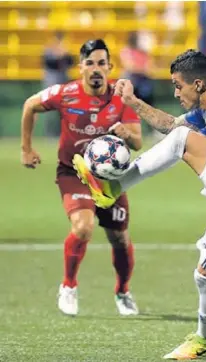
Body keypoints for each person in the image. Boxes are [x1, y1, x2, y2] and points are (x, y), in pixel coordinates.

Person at [74, 50, 206, 359]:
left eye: (178, 86)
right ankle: (112, 187)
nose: (175, 92)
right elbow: (170, 125)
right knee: (180, 138)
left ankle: (205, 340)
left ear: (198, 84)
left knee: (204, 275)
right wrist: (133, 102)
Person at [20, 39, 142, 317]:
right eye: (90, 63)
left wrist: (127, 134)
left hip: (109, 179)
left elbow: (137, 143)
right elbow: (29, 105)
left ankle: (123, 291)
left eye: (101, 63)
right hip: (73, 173)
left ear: (110, 67)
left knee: (119, 239)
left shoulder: (121, 99)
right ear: (81, 67)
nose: (96, 68)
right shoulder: (66, 93)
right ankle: (68, 285)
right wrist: (26, 149)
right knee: (83, 226)